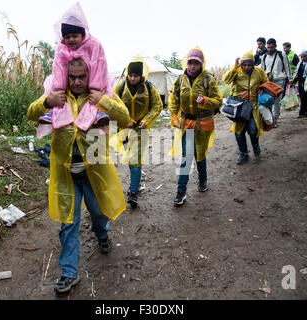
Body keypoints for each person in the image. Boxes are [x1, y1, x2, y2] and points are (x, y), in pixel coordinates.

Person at [27, 57, 131, 294]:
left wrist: (104, 101)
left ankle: (102, 233)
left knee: (98, 212)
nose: (76, 82)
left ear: (89, 75)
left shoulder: (99, 95)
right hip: (66, 175)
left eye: (81, 77)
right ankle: (69, 273)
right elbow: (31, 113)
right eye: (71, 77)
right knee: (68, 222)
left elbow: (124, 118)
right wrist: (46, 101)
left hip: (93, 172)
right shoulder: (57, 96)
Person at [37, 2, 110, 138]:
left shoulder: (93, 44)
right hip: (64, 85)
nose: (71, 40)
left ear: (82, 34)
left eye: (74, 36)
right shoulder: (61, 47)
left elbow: (99, 65)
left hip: (95, 82)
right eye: (67, 37)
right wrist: (57, 91)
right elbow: (58, 67)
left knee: (95, 99)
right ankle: (52, 112)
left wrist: (96, 89)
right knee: (56, 94)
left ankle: (98, 114)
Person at [168, 47, 223, 206]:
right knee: (187, 156)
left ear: (201, 64)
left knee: (200, 154)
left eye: (196, 63)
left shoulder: (208, 79)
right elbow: (174, 100)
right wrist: (174, 116)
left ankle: (203, 180)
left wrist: (205, 101)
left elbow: (218, 101)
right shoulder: (180, 79)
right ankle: (181, 192)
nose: (192, 66)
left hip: (204, 123)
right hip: (187, 123)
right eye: (190, 63)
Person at [112, 55, 163, 209]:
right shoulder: (120, 87)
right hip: (124, 129)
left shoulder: (149, 87)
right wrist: (124, 119)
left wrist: (146, 120)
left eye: (135, 75)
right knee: (130, 159)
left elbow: (157, 106)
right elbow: (112, 104)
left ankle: (133, 192)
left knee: (135, 159)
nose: (132, 78)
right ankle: (136, 183)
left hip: (141, 130)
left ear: (141, 76)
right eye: (130, 75)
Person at [222, 51, 269, 165]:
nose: (247, 67)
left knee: (253, 130)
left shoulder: (259, 72)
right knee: (239, 132)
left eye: (249, 65)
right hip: (239, 106)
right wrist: (235, 67)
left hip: (253, 106)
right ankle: (243, 154)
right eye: (244, 65)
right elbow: (226, 79)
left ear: (253, 64)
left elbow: (266, 83)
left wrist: (262, 88)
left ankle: (255, 146)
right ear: (241, 64)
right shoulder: (237, 71)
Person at [261, 38, 293, 127]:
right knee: (268, 100)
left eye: (271, 47)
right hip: (268, 81)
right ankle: (270, 119)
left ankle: (274, 120)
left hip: (280, 80)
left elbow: (287, 67)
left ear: (275, 46)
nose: (269, 49)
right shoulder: (264, 57)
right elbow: (262, 70)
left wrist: (290, 79)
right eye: (268, 47)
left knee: (276, 100)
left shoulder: (281, 54)